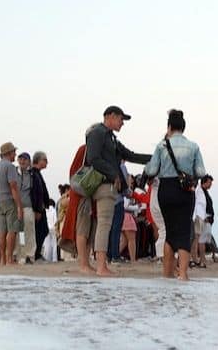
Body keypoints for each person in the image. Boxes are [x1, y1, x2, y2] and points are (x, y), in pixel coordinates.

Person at [82, 106, 151, 277]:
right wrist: (113, 174)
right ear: (111, 116)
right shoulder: (98, 133)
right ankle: (101, 266)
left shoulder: (110, 137)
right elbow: (93, 158)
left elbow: (130, 155)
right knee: (104, 225)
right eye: (121, 119)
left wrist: (155, 158)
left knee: (103, 225)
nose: (122, 123)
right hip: (104, 185)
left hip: (110, 186)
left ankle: (100, 264)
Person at [143, 109, 206, 281]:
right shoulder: (193, 146)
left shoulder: (161, 146)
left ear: (169, 126)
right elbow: (201, 172)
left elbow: (152, 170)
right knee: (184, 231)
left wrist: (148, 168)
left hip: (166, 190)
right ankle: (183, 275)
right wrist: (189, 173)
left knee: (169, 233)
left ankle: (167, 274)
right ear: (183, 127)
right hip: (185, 191)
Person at [0, 141, 23, 267]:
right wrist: (19, 206)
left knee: (2, 230)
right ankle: (9, 259)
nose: (15, 155)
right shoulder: (10, 167)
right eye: (14, 152)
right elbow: (13, 186)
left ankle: (2, 259)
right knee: (12, 229)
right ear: (9, 153)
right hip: (9, 199)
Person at [14, 153, 37, 265]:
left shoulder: (33, 174)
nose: (22, 161)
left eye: (25, 159)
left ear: (29, 161)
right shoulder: (13, 172)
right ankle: (15, 254)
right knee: (14, 230)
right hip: (15, 206)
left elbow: (37, 190)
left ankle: (30, 255)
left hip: (28, 206)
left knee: (29, 230)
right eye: (21, 159)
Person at [30, 151, 53, 262]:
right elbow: (35, 193)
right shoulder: (33, 174)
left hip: (41, 207)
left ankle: (37, 253)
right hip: (38, 208)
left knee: (43, 230)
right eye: (45, 160)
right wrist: (37, 210)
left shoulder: (37, 174)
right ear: (38, 160)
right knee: (40, 231)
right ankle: (36, 254)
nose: (47, 162)